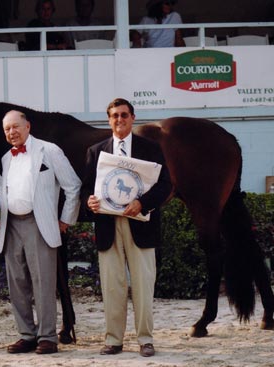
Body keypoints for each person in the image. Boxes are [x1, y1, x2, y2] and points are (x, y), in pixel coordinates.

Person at [82, 98, 172, 357]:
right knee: (112, 285)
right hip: (108, 226)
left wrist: (142, 202)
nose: (119, 120)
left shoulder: (150, 148)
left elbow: (165, 185)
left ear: (133, 118)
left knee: (144, 284)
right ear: (108, 120)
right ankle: (113, 339)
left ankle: (145, 339)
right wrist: (89, 202)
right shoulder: (96, 151)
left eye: (123, 115)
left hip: (140, 224)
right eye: (114, 116)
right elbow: (87, 188)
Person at [0, 110, 81, 355]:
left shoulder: (49, 151)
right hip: (11, 225)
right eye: (7, 129)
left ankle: (47, 337)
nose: (12, 132)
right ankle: (27, 335)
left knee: (43, 281)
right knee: (17, 283)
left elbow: (72, 185)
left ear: (28, 126)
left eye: (16, 127)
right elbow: (4, 194)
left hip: (39, 223)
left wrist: (66, 219)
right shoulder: (5, 158)